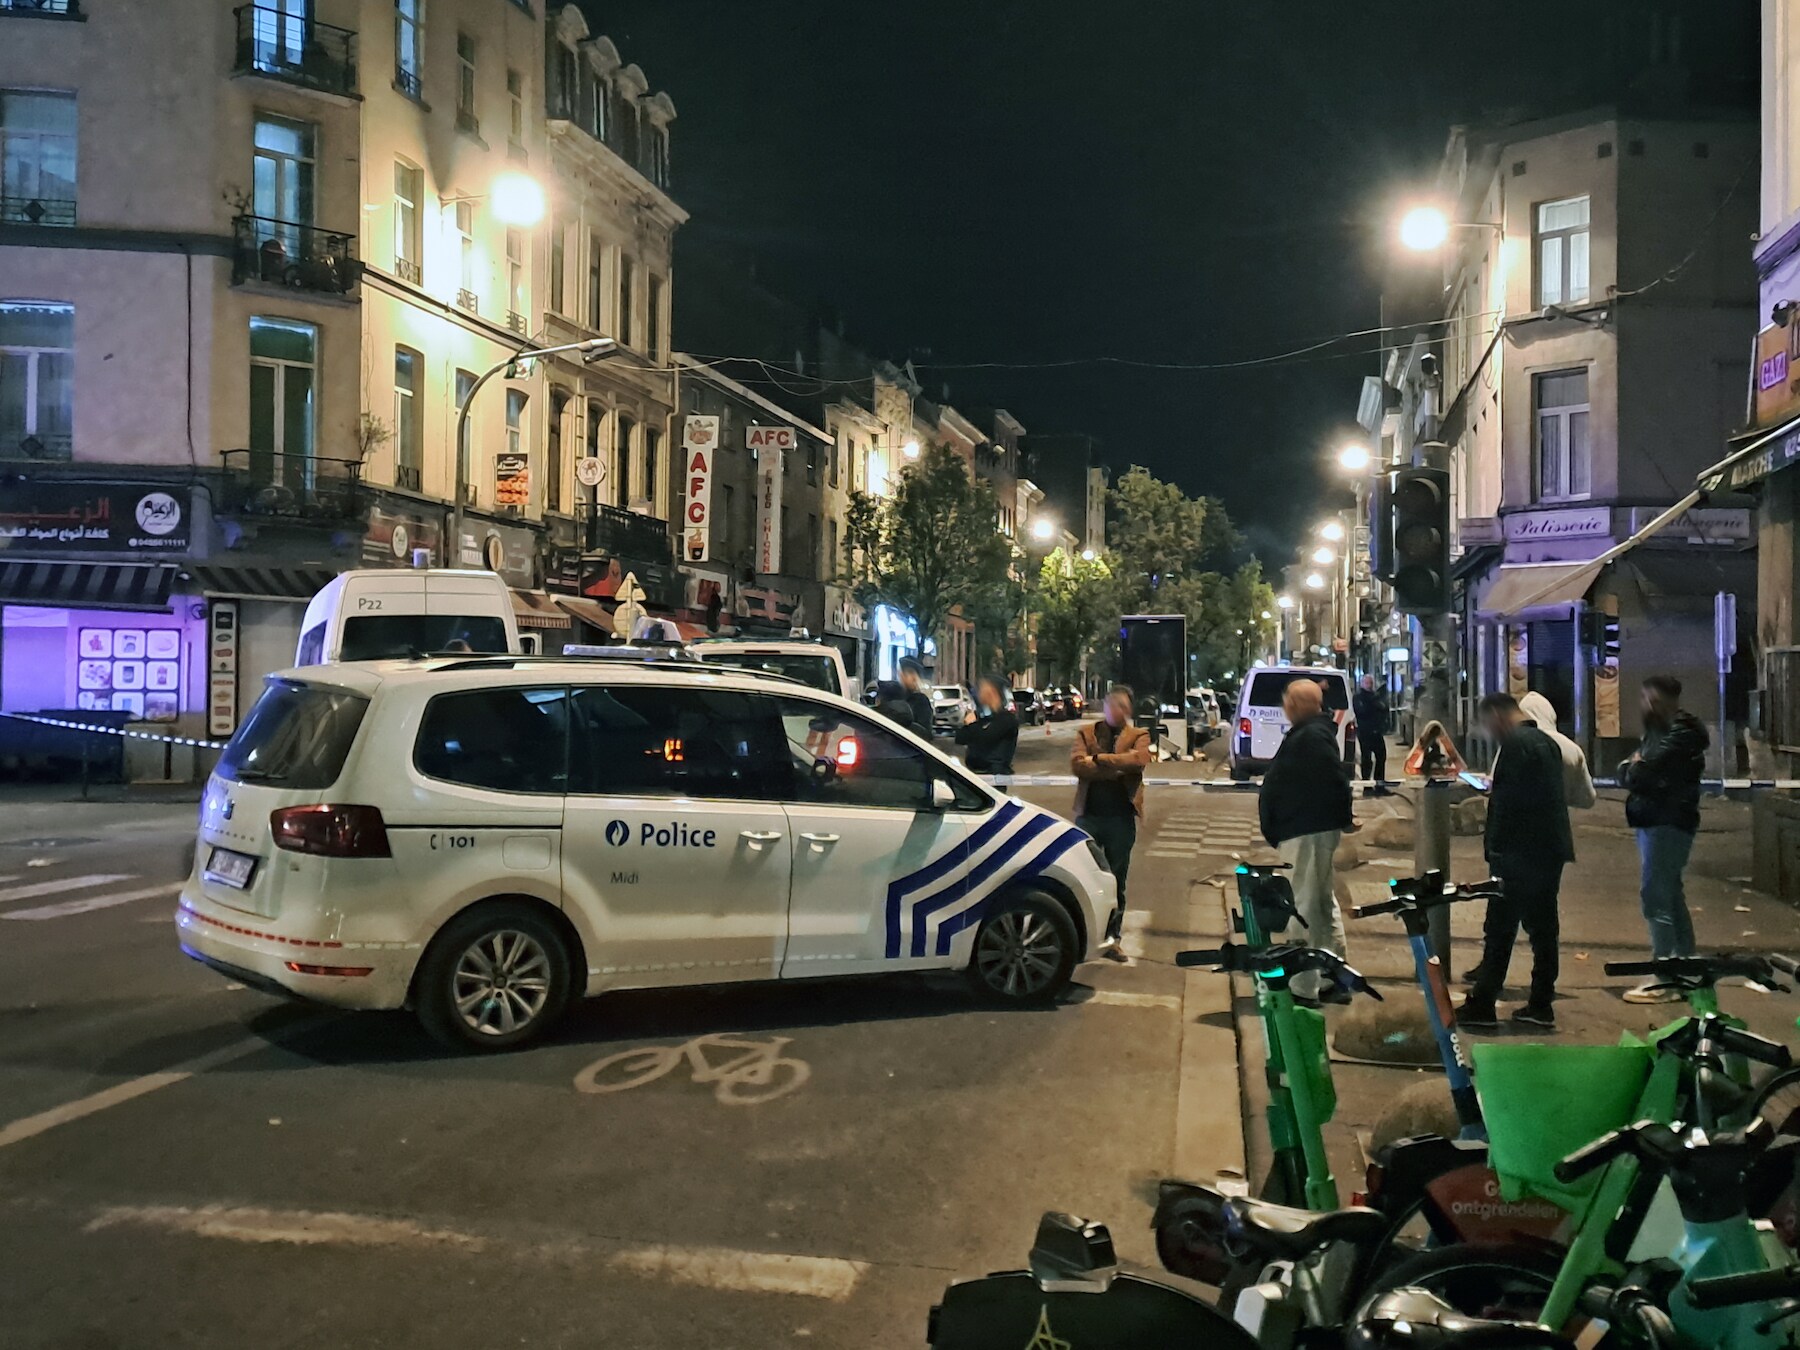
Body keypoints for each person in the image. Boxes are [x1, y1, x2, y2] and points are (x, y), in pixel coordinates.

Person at [1459, 693, 1574, 1031]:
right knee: (1543, 929)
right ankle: (1541, 1003)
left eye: (1486, 723)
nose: (1487, 731)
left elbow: (1509, 807)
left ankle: (1483, 1003)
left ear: (1498, 715)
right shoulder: (1544, 742)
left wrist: (1496, 852)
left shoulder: (1516, 745)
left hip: (1519, 854)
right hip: (1547, 850)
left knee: (1500, 929)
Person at [1257, 678, 1353, 1002]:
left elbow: (1334, 781)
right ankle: (1333, 978)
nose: (1285, 709)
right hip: (1308, 828)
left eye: (1287, 703)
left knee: (1305, 908)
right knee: (1322, 905)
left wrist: (1343, 816)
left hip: (1306, 830)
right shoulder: (1314, 733)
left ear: (1295, 705)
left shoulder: (1311, 736)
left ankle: (1302, 987)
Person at [1618, 674, 1709, 1003]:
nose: (1646, 706)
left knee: (1656, 896)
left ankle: (1665, 976)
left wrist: (1635, 768)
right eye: (1645, 699)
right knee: (1670, 895)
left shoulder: (1678, 735)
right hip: (1655, 821)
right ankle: (1686, 967)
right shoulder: (1658, 733)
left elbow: (1640, 773)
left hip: (1667, 823)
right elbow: (1627, 771)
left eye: (1653, 701)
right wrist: (1634, 768)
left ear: (1670, 703)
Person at [1073, 685, 1151, 963]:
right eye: (1111, 704)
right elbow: (1078, 765)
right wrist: (1115, 769)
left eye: (1121, 705)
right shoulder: (1087, 732)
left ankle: (1113, 938)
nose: (1115, 709)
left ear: (1128, 710)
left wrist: (1100, 760)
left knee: (1116, 880)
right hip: (1089, 816)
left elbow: (1139, 761)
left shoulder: (1138, 735)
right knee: (1083, 876)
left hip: (1120, 818)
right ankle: (1084, 936)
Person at [955, 674, 1019, 775]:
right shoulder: (981, 717)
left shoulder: (1007, 719)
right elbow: (960, 738)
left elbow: (984, 739)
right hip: (976, 774)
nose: (979, 694)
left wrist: (972, 725)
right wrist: (969, 724)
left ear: (992, 693)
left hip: (994, 775)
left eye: (982, 690)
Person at [1352, 675, 1390, 788]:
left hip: (1377, 731)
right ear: (1362, 683)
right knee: (1366, 759)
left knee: (1381, 756)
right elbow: (1361, 711)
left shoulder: (1376, 696)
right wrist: (1373, 703)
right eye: (1367, 683)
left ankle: (1379, 784)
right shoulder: (1358, 697)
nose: (1369, 685)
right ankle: (1367, 786)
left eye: (1371, 683)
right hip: (1365, 732)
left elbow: (1383, 709)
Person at [898, 656, 936, 739]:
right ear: (901, 674)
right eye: (910, 673)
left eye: (916, 674)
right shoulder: (894, 698)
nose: (914, 678)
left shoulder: (920, 701)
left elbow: (925, 734)